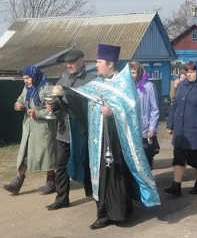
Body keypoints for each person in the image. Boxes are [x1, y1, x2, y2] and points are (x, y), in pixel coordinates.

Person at [56, 44, 160, 230]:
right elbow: (81, 105)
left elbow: (132, 110)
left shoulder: (124, 84)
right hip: (98, 141)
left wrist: (114, 111)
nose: (96, 65)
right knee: (101, 176)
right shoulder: (98, 84)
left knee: (116, 175)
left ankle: (120, 212)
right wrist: (65, 95)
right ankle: (103, 213)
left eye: (99, 62)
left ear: (110, 63)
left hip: (117, 141)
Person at [45, 50, 95, 211]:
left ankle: (95, 194)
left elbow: (91, 106)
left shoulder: (91, 80)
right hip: (64, 131)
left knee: (88, 164)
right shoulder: (63, 79)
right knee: (60, 166)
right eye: (67, 63)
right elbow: (59, 108)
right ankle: (62, 198)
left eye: (72, 62)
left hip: (82, 132)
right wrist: (53, 106)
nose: (69, 65)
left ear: (82, 61)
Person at [165, 61, 197, 196]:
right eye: (187, 72)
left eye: (192, 72)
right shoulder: (182, 85)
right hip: (181, 130)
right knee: (178, 158)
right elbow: (175, 106)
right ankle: (176, 186)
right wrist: (170, 124)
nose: (189, 75)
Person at [2, 66, 57, 195]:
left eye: (27, 78)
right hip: (29, 128)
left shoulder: (47, 88)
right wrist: (18, 105)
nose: (25, 81)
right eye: (24, 78)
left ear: (35, 76)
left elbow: (52, 110)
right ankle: (16, 183)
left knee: (46, 155)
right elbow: (20, 100)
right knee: (25, 154)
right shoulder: (27, 89)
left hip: (43, 128)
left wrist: (37, 113)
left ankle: (51, 182)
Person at [129, 61, 160, 168]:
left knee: (145, 159)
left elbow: (154, 109)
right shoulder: (128, 87)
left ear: (139, 72)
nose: (131, 75)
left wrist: (152, 127)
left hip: (144, 129)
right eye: (130, 73)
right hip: (130, 129)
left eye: (133, 72)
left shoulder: (149, 86)